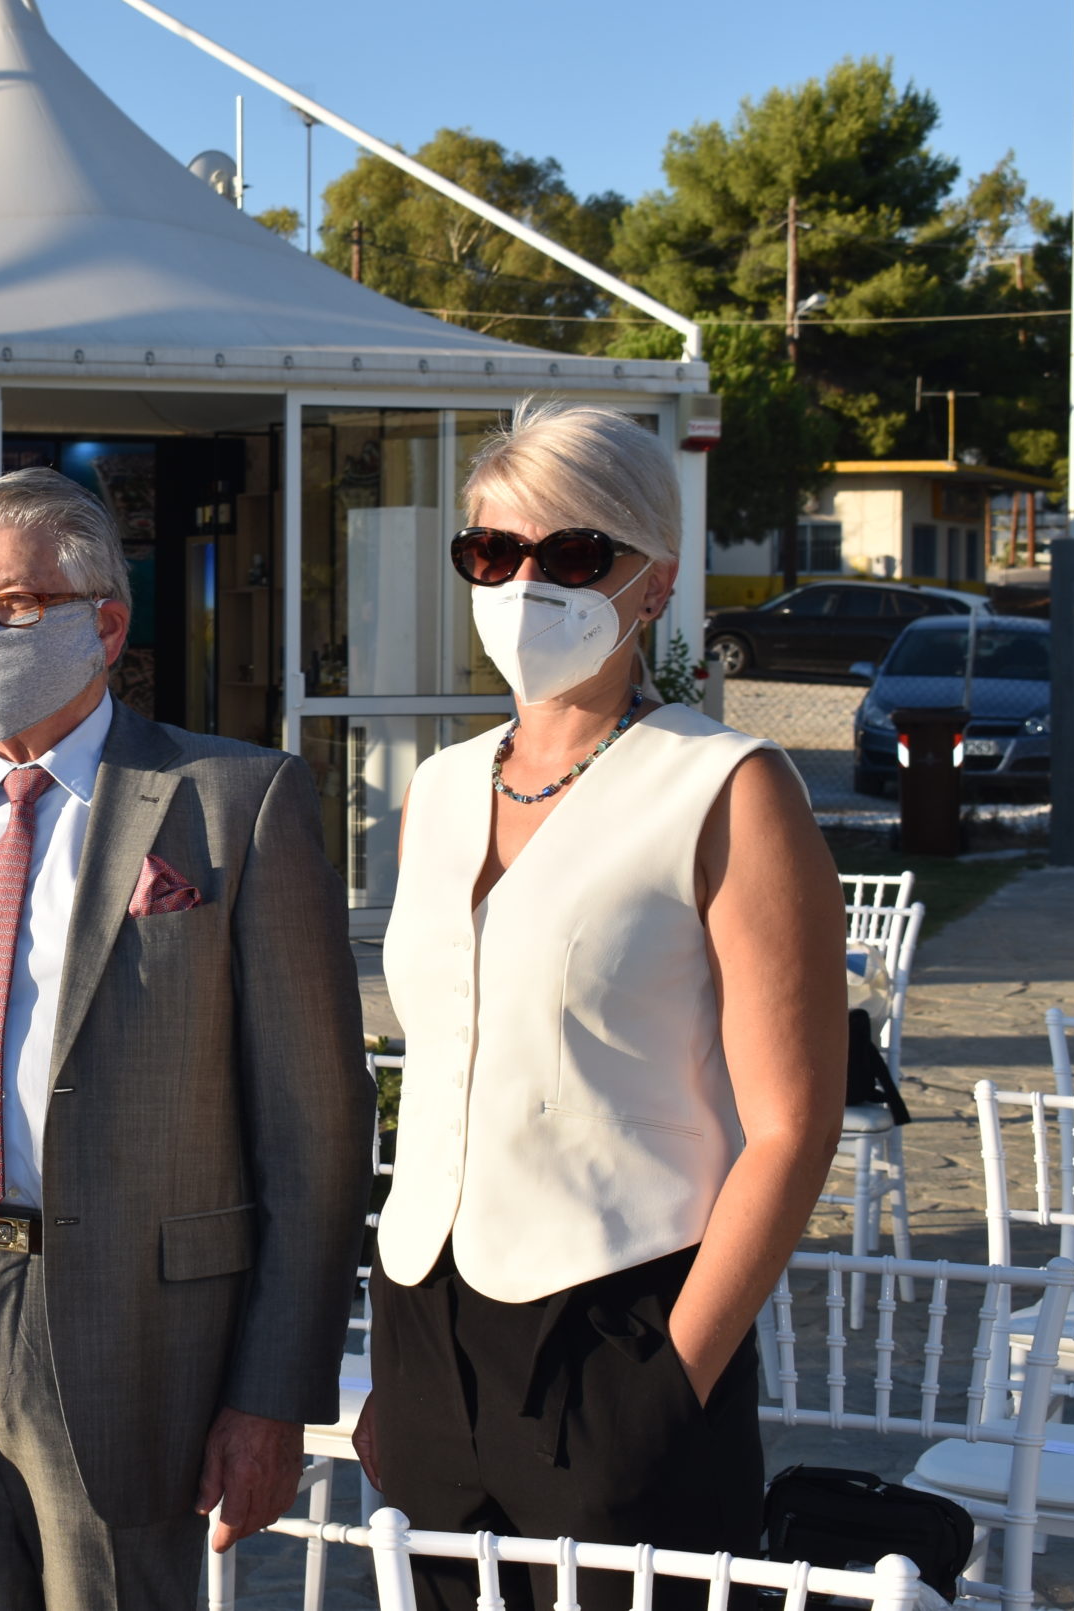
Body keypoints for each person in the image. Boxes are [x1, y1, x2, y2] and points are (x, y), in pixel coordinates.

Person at [0, 467, 373, 1611]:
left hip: (133, 1337)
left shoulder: (235, 803)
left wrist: (272, 1394)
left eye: (15, 604)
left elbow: (316, 1131)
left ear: (105, 625)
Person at [366, 403, 846, 1611]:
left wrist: (670, 1381)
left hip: (623, 1317)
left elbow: (793, 1125)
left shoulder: (725, 787)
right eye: (492, 552)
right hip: (426, 1328)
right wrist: (396, 1371)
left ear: (653, 581)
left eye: (573, 554)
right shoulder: (438, 789)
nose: (526, 585)